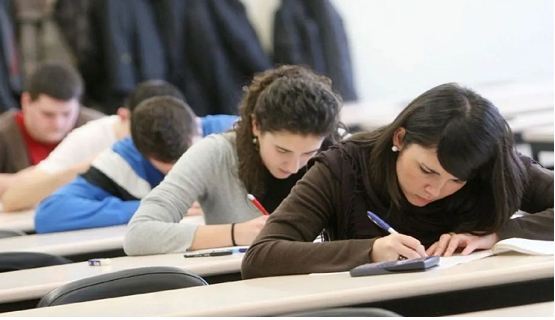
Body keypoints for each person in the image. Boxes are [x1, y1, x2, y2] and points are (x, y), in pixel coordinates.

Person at [241, 83, 554, 279]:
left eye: (455, 180)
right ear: (400, 138)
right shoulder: (344, 166)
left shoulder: (488, 167)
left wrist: (498, 233)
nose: (436, 189)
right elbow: (261, 256)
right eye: (426, 170)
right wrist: (371, 251)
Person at [123, 65, 347, 256]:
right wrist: (235, 233)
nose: (294, 165)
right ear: (256, 125)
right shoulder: (216, 153)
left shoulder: (339, 152)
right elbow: (138, 235)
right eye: (282, 150)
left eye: (309, 153)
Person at [1, 80, 238, 212]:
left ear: (191, 122)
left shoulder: (226, 130)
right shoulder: (102, 144)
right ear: (124, 118)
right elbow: (18, 200)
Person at [34, 96, 234, 233]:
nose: (180, 174)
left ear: (198, 128)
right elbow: (49, 214)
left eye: (188, 160)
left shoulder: (233, 133)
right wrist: (155, 208)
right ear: (140, 150)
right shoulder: (123, 156)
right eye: (167, 168)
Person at [0, 61, 103, 196]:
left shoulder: (97, 126)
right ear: (26, 102)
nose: (58, 124)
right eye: (47, 114)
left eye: (67, 114)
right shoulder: (4, 132)